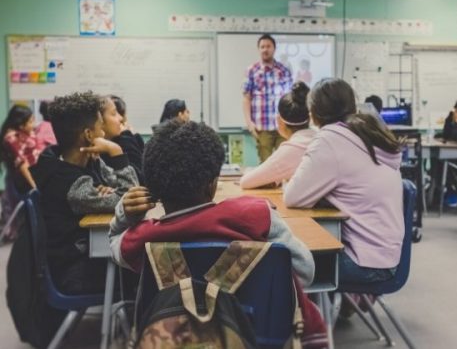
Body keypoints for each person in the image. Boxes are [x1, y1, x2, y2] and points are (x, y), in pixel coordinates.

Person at [109, 120, 327, 347]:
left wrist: (124, 214)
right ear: (212, 185)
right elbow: (305, 272)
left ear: (154, 191)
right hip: (258, 337)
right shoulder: (256, 215)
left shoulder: (144, 238)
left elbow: (114, 244)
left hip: (178, 338)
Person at [284, 78, 404, 287]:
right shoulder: (366, 132)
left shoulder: (330, 139)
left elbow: (293, 197)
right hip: (387, 255)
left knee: (278, 263)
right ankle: (336, 309)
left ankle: (310, 319)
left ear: (313, 113)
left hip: (365, 263)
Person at [30, 91, 138, 294]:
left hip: (85, 256)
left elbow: (123, 192)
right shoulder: (72, 185)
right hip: (75, 271)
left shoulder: (89, 161)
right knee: (144, 267)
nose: (104, 135)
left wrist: (113, 193)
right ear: (89, 135)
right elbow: (133, 199)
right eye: (100, 129)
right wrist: (116, 151)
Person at [240, 81, 315, 189]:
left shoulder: (290, 149)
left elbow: (245, 182)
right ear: (310, 118)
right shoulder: (321, 138)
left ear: (279, 121)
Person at [243, 34, 293, 163]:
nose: (265, 49)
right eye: (262, 46)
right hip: (262, 127)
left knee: (284, 163)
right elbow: (246, 98)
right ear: (259, 49)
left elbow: (290, 98)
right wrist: (249, 123)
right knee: (265, 164)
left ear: (274, 49)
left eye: (268, 46)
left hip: (282, 126)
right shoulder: (251, 70)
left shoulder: (284, 70)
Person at [0, 105, 42, 240]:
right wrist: (34, 185)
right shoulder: (11, 138)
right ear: (20, 125)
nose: (33, 124)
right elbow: (22, 164)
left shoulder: (28, 132)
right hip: (24, 180)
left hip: (34, 175)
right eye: (30, 122)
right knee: (25, 215)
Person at [100, 96, 145, 183]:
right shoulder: (99, 158)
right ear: (99, 121)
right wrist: (126, 136)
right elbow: (139, 181)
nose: (121, 118)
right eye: (114, 114)